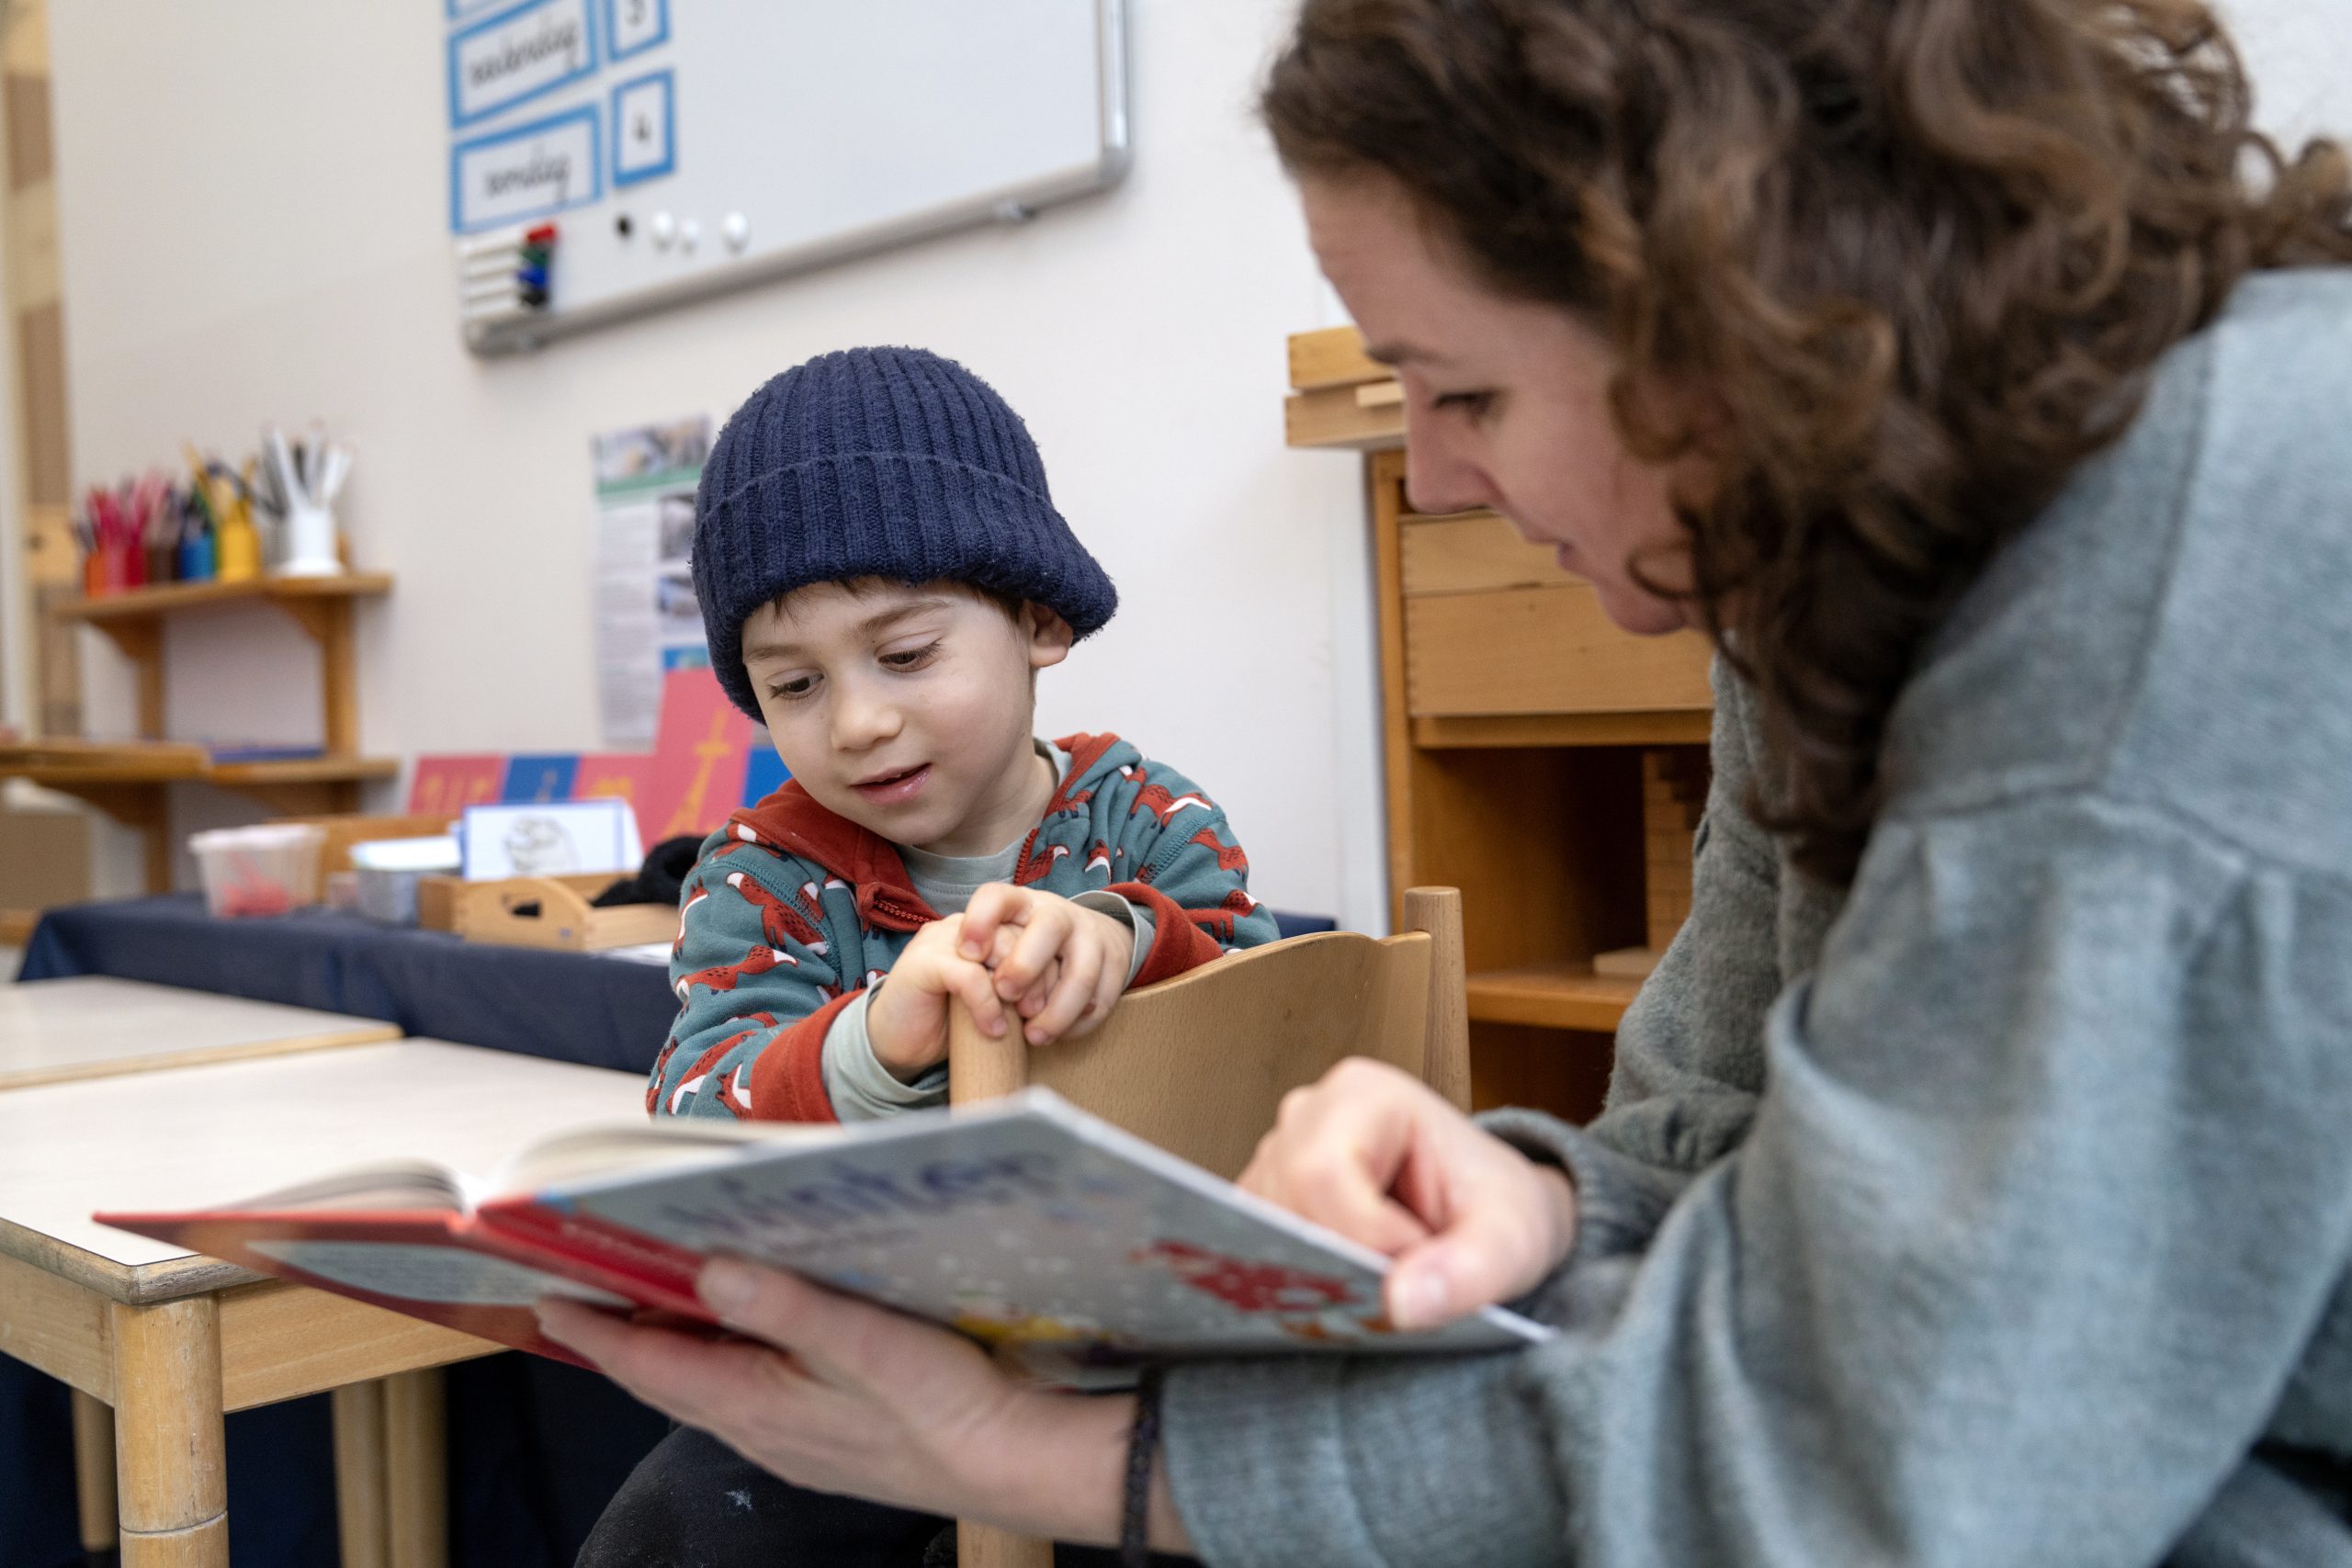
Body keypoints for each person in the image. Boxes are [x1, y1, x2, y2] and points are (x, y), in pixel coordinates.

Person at [545, 2, 2352, 1562]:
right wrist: (1549, 1202)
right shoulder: (1820, 561)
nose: (1430, 481)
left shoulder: (2168, 605)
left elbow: (1886, 1477)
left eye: (1459, 390)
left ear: (1725, 307)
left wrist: (1031, 1456)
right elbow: (1713, 1145)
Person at [584, 345, 1278, 1564]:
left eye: (905, 656)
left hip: (1148, 1354)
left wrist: (1125, 941)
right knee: (669, 1534)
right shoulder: (760, 873)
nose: (857, 721)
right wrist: (871, 1040)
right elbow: (693, 1105)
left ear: (1039, 620)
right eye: (793, 684)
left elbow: (1270, 1017)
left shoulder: (1145, 821)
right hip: (871, 1363)